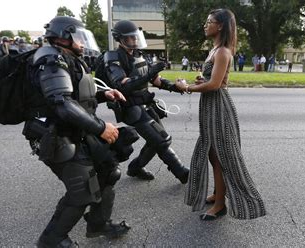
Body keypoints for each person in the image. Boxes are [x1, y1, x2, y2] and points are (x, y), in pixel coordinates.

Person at [27, 16, 131, 247]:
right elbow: (62, 103)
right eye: (79, 38)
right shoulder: (51, 60)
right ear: (64, 37)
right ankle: (52, 240)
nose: (83, 43)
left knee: (108, 171)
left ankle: (97, 224)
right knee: (82, 189)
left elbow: (78, 97)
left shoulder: (69, 58)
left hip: (76, 130)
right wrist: (101, 128)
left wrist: (104, 95)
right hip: (55, 135)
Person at [176, 8, 266, 220]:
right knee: (211, 152)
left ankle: (220, 205)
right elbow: (211, 80)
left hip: (219, 107)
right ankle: (218, 193)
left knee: (220, 156)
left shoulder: (223, 51)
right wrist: (201, 80)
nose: (205, 25)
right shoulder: (214, 50)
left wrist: (187, 87)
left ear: (221, 26)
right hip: (210, 106)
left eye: (209, 22)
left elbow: (216, 85)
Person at [104, 20, 189, 183]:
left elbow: (156, 80)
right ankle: (182, 173)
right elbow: (123, 86)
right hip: (131, 107)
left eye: (136, 37)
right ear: (120, 39)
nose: (134, 40)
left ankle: (135, 167)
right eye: (130, 38)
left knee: (155, 140)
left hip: (146, 104)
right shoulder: (113, 57)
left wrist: (176, 87)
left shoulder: (138, 55)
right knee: (161, 140)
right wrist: (149, 74)